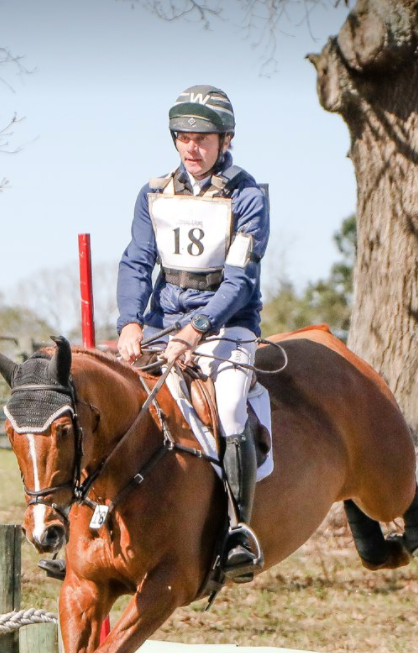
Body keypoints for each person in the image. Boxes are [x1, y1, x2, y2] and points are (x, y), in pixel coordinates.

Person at [116, 84, 270, 581]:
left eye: (202, 137)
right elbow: (137, 261)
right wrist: (130, 322)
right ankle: (92, 522)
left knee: (227, 406)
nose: (191, 147)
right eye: (183, 136)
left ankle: (236, 530)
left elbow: (241, 279)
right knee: (111, 399)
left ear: (225, 140)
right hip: (162, 322)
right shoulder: (153, 191)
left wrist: (196, 329)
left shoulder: (247, 195)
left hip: (228, 324)